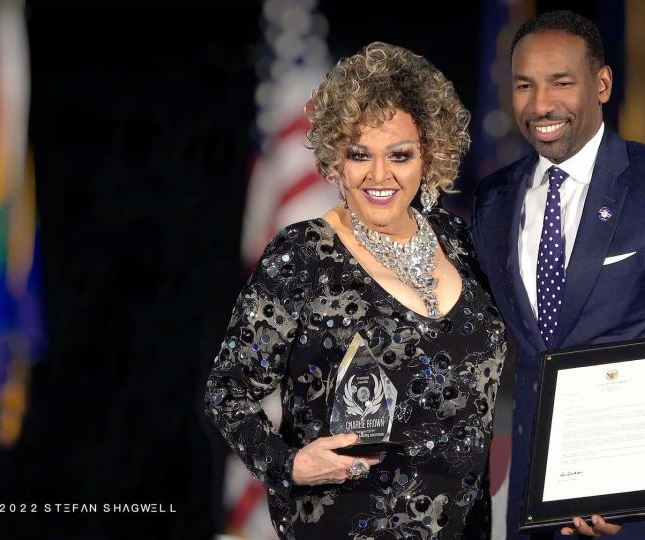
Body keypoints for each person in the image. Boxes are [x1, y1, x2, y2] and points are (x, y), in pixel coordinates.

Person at [204, 42, 507, 539]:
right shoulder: (302, 254)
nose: (379, 175)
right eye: (359, 154)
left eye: (400, 155)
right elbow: (227, 391)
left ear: (429, 155)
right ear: (334, 159)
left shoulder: (461, 243)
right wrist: (288, 465)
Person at [471, 11, 645, 539]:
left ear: (603, 83)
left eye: (561, 83)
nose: (541, 104)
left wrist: (631, 488)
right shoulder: (493, 200)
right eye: (525, 85)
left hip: (642, 518)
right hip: (533, 514)